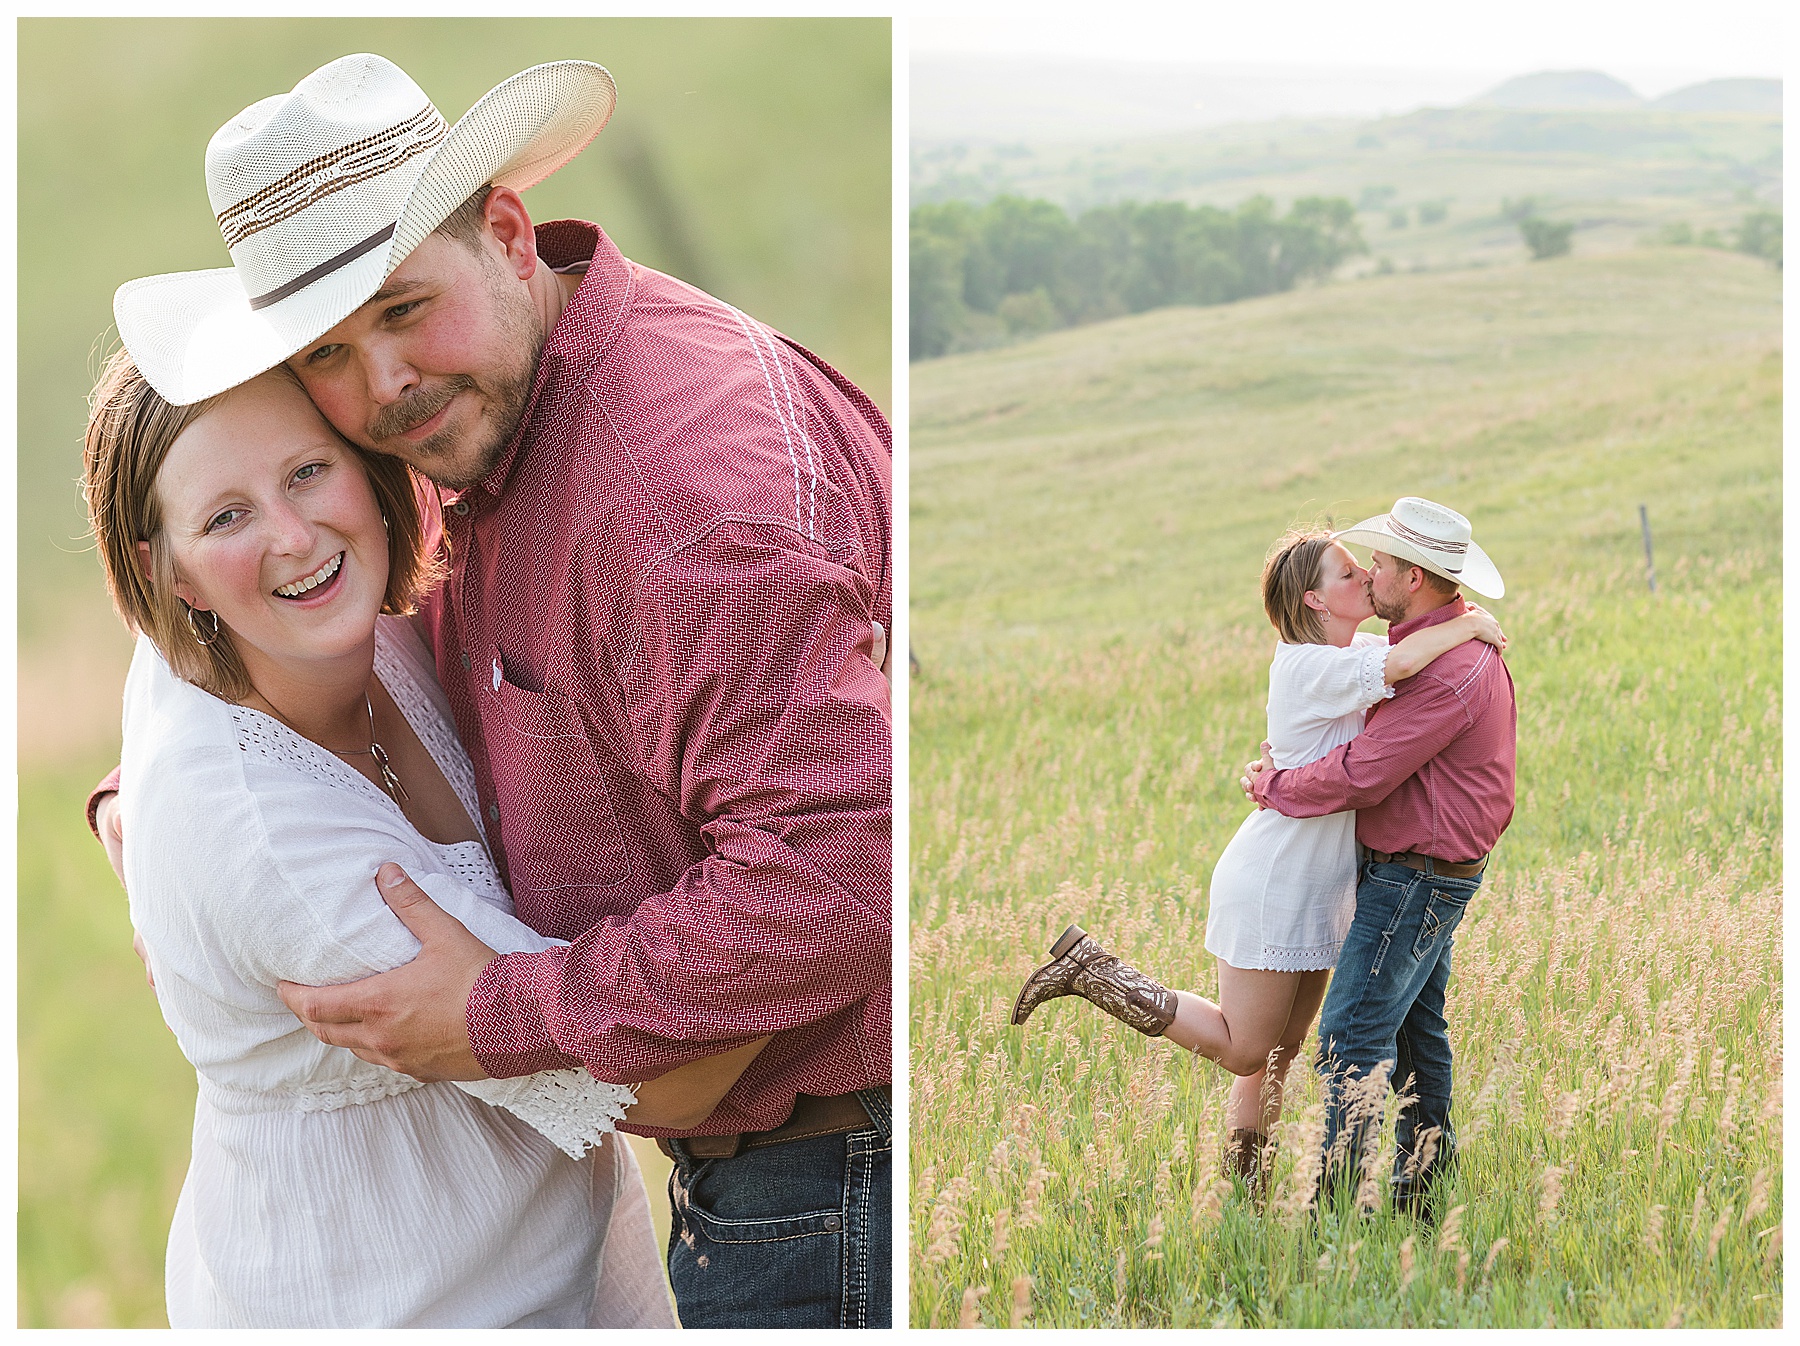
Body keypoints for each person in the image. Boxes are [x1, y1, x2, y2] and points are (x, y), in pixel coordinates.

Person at [89, 53, 891, 1327]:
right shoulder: (477, 414)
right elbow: (236, 582)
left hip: (834, 1170)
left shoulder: (677, 505)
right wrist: (153, 800)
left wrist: (500, 1009)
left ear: (509, 232)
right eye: (331, 355)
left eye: (405, 308)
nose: (382, 388)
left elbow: (844, 878)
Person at [84, 356, 777, 1326]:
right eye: (227, 516)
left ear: (367, 466)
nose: (293, 535)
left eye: (307, 471)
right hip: (401, 1301)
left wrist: (120, 803)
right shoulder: (282, 850)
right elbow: (679, 1074)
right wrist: (821, 865)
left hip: (553, 1255)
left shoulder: (351, 628)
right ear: (167, 569)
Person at [1010, 524, 1505, 1195]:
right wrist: (1471, 625)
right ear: (1315, 600)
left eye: (1369, 568)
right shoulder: (1309, 662)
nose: (1363, 577)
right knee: (1246, 1046)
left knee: (1277, 1053)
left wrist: (1460, 625)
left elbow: (1395, 659)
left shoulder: (1344, 648)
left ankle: (1245, 1195)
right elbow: (1400, 666)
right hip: (1277, 875)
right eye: (1347, 573)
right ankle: (1096, 973)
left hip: (1320, 880)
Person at [1245, 497, 1515, 1222]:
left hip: (1417, 875)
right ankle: (1422, 1195)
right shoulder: (1421, 647)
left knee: (1349, 1036)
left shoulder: (1448, 667)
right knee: (1414, 1034)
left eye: (1384, 565)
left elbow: (1362, 773)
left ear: (1417, 579)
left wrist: (1275, 784)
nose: (1372, 574)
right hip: (1415, 869)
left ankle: (1336, 1213)